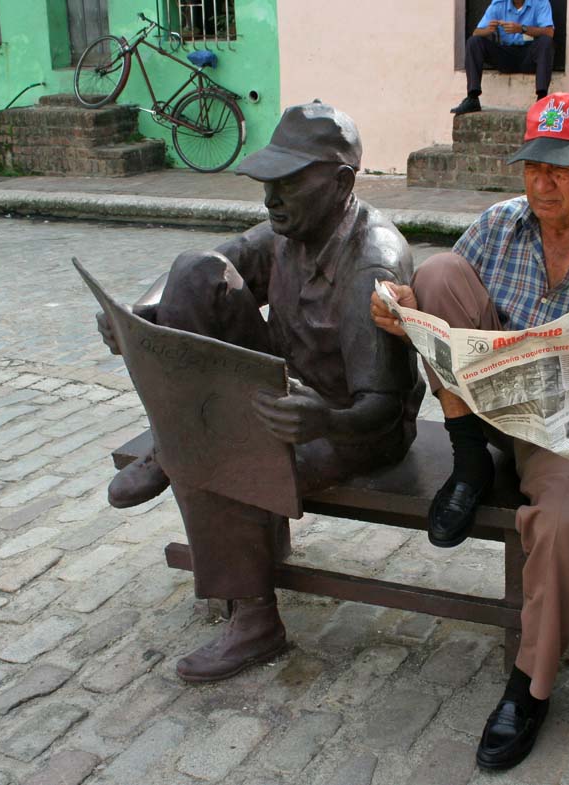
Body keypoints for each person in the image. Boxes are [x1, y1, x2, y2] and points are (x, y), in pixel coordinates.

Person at [371, 92, 569, 769]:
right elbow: (445, 303)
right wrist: (404, 308)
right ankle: (468, 464)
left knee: (566, 524)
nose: (542, 183)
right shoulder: (499, 223)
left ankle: (529, 684)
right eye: (533, 167)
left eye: (562, 169)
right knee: (434, 272)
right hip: (489, 414)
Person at [97, 101, 424, 682]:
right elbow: (213, 263)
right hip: (281, 385)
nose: (270, 199)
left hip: (353, 423)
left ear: (342, 183)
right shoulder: (291, 230)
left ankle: (255, 623)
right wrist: (140, 316)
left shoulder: (372, 266)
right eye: (267, 183)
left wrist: (322, 421)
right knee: (195, 270)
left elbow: (383, 407)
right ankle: (173, 440)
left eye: (288, 184)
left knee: (221, 458)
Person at [450, 0, 556, 115]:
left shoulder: (540, 2)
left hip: (529, 56)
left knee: (546, 42)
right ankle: (472, 97)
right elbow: (476, 32)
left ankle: (542, 98)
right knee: (473, 42)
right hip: (506, 55)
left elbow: (549, 32)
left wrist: (522, 29)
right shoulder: (499, 4)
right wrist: (488, 30)